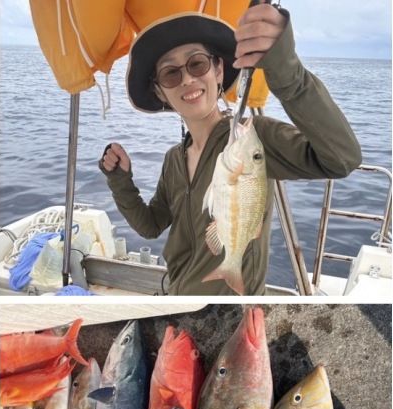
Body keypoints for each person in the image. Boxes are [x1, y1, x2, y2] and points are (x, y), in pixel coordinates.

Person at [100, 4, 362, 295]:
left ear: (219, 70)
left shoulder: (253, 140)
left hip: (232, 310)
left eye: (197, 63)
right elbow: (150, 226)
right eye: (171, 74)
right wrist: (120, 181)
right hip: (176, 300)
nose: (187, 78)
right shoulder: (174, 158)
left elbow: (342, 159)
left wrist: (285, 68)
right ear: (161, 92)